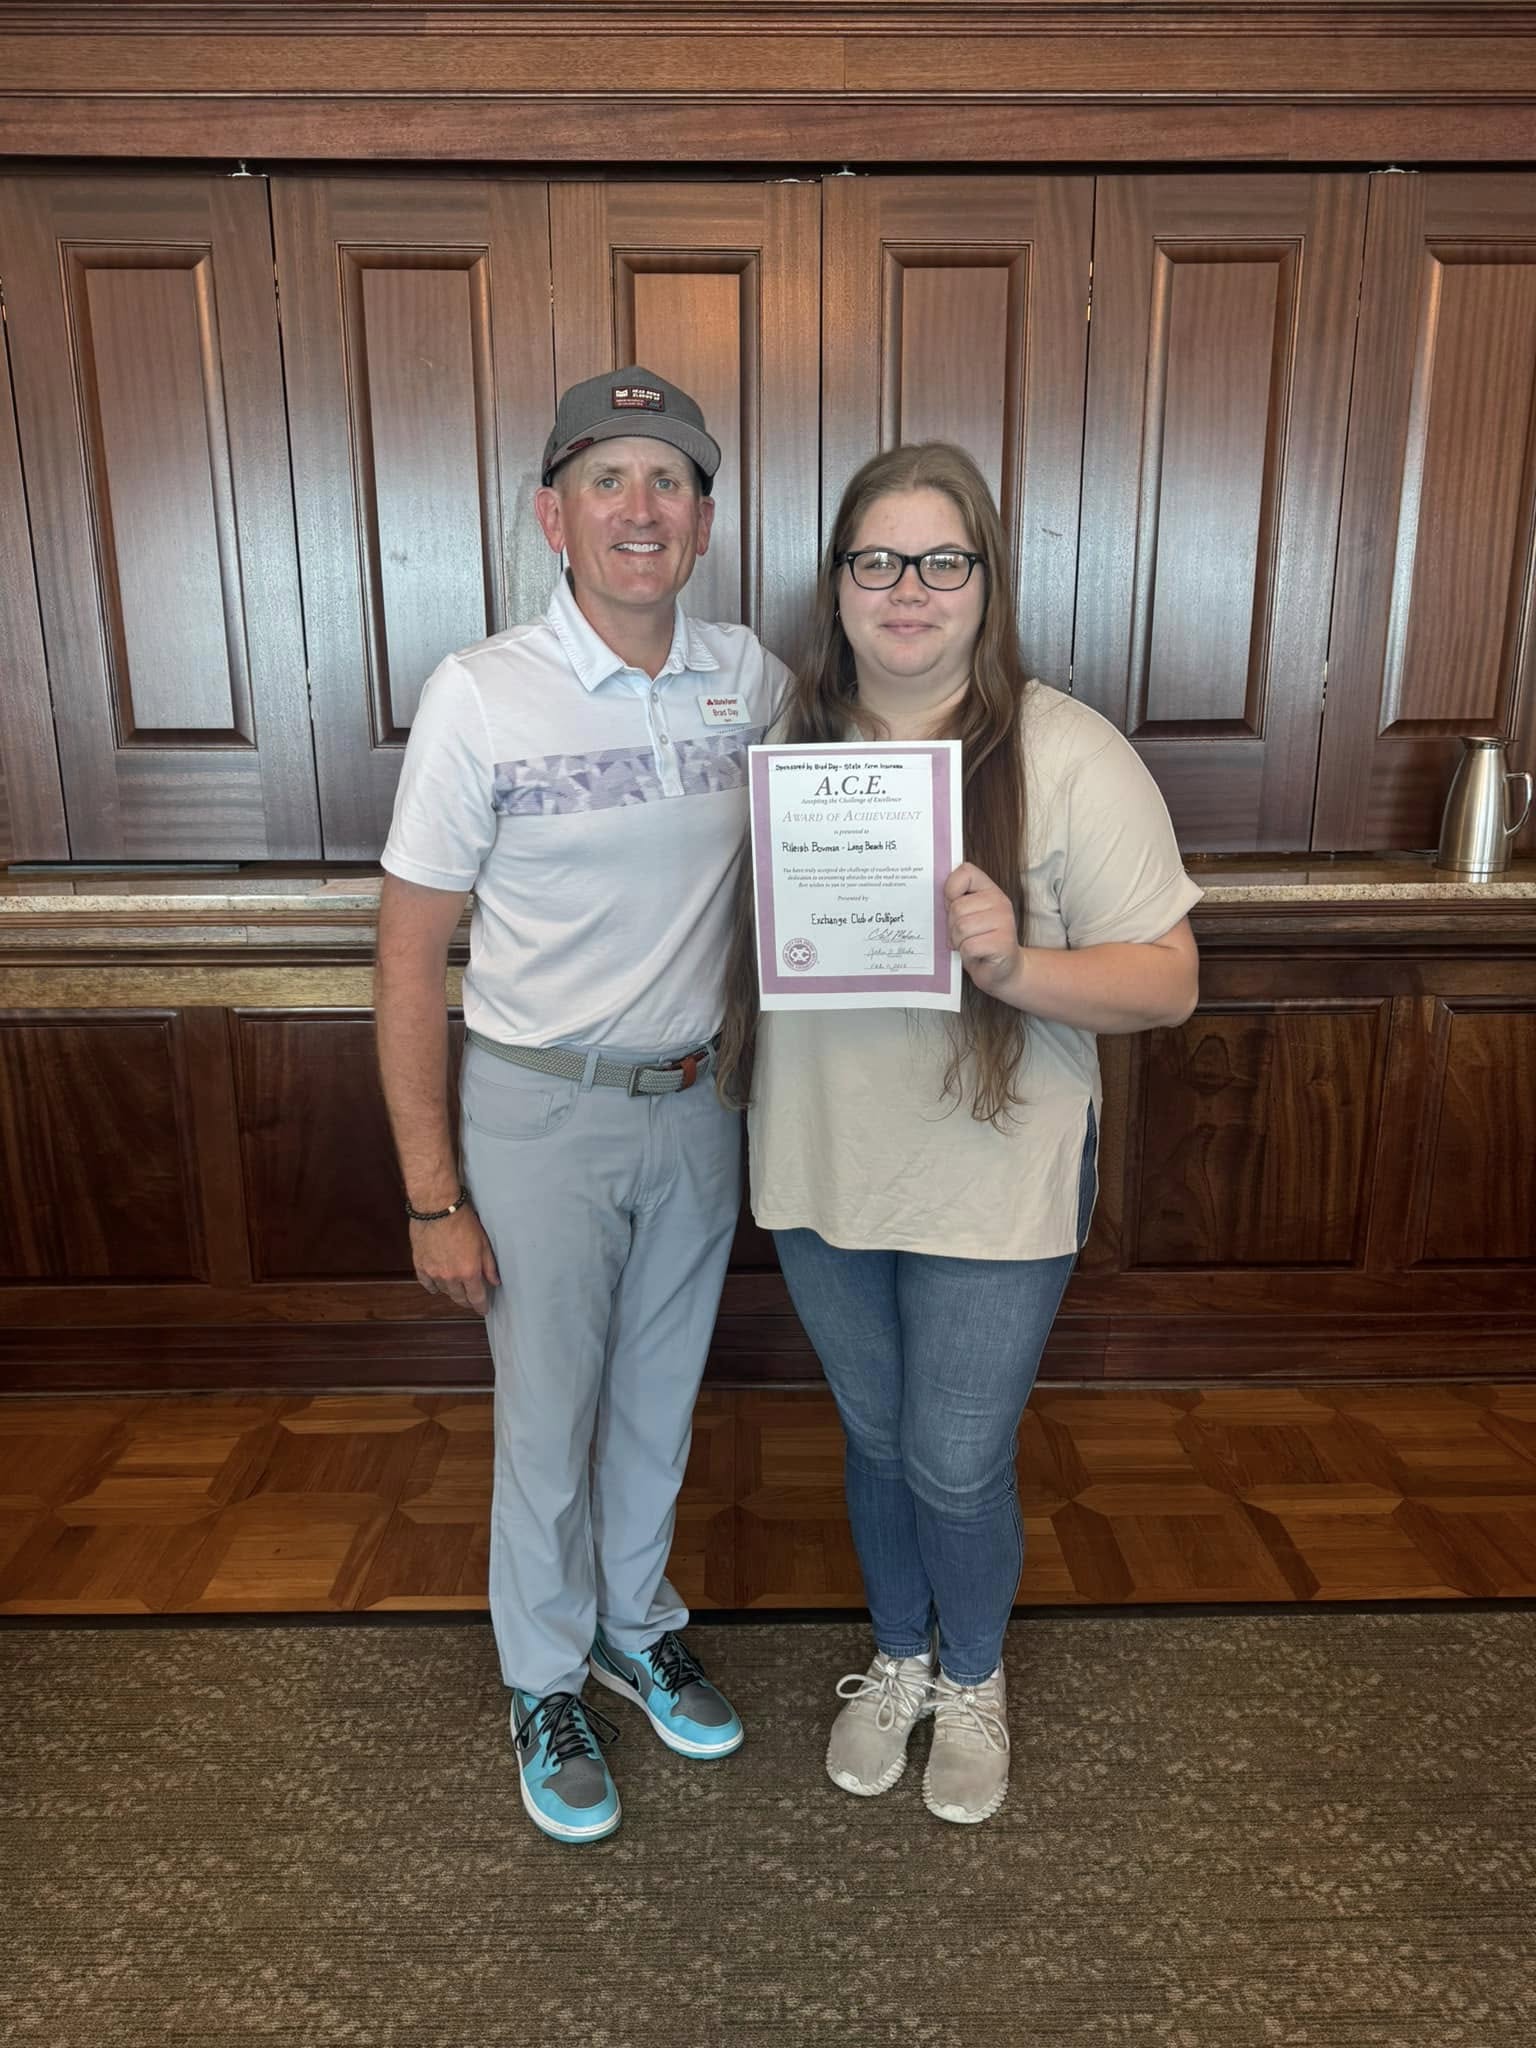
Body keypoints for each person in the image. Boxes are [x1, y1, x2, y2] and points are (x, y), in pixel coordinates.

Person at [716, 442, 1202, 1826]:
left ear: (986, 583)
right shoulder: (788, 747)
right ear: (840, 584)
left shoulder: (1063, 747)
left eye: (943, 561)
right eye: (879, 561)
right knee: (874, 1442)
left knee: (953, 1457)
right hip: (820, 1159)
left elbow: (1168, 981)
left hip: (996, 1168)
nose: (909, 590)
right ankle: (901, 1655)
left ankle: (973, 1675)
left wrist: (1015, 967)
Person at [375, 365, 787, 1845]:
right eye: (608, 481)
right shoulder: (482, 694)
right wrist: (435, 1194)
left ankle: (633, 1621)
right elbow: (410, 956)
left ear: (705, 519)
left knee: (661, 1400)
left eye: (668, 482)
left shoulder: (754, 678)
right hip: (538, 1112)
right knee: (548, 1419)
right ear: (553, 516)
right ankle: (542, 1676)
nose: (640, 509)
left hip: (699, 1107)